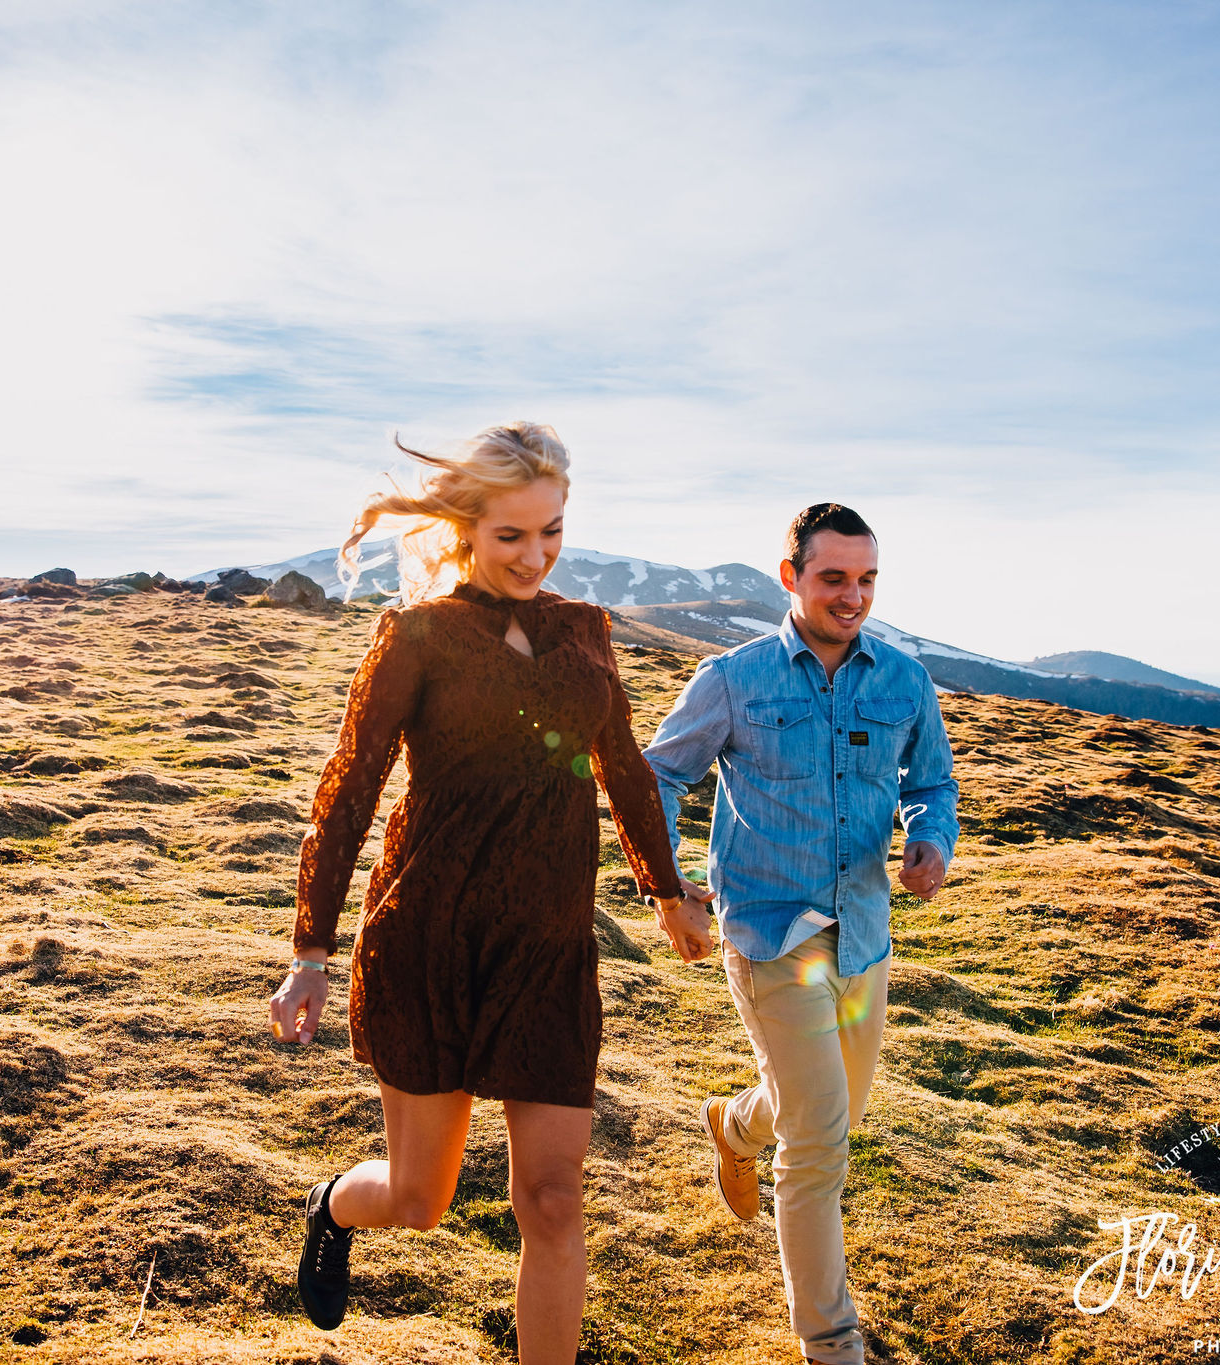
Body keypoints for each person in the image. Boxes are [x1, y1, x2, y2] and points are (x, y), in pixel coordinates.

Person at [267, 421, 709, 1364]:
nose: (536, 553)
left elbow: (623, 766)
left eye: (551, 530)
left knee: (551, 1201)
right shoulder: (418, 634)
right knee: (420, 1200)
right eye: (512, 535)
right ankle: (335, 1202)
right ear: (465, 528)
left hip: (547, 948)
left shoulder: (584, 631)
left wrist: (667, 893)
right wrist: (309, 951)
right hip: (429, 935)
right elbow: (349, 786)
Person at [642, 502, 959, 1365]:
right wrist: (668, 888)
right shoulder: (733, 679)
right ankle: (832, 1342)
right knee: (820, 1139)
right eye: (833, 579)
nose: (852, 597)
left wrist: (931, 840)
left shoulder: (903, 680)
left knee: (834, 1110)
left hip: (863, 932)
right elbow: (656, 777)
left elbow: (933, 781)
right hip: (770, 933)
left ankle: (737, 1126)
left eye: (866, 580)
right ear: (791, 577)